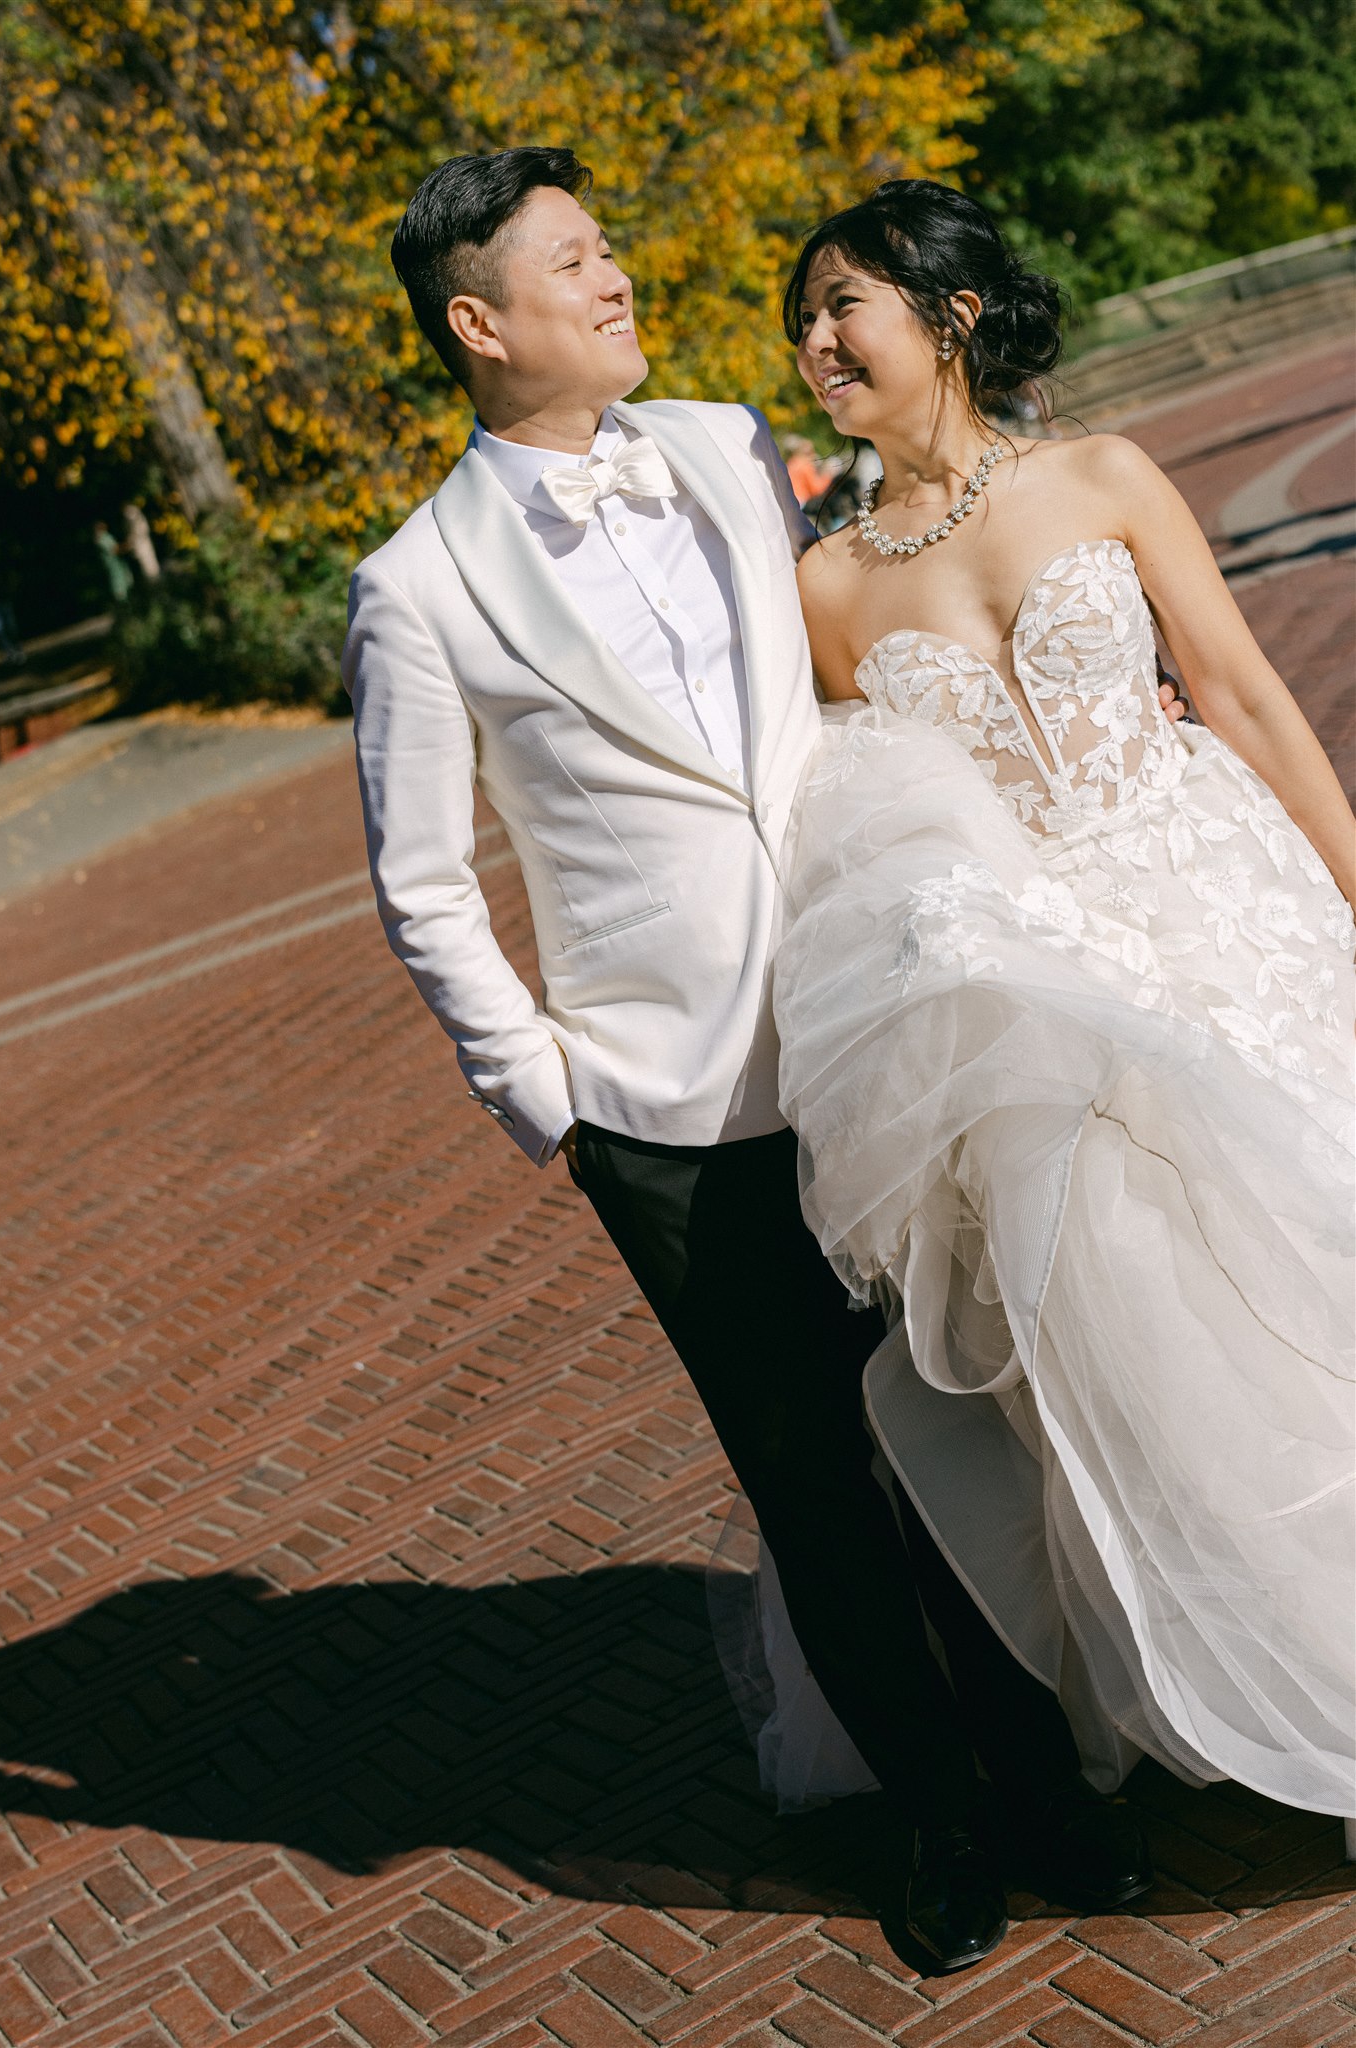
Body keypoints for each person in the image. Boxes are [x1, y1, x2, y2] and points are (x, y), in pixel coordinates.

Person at [344, 147, 1188, 1973]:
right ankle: (944, 1823)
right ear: (480, 321)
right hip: (658, 1106)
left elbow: (901, 609)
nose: (618, 276)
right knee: (812, 1477)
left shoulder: (734, 447)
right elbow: (420, 881)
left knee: (957, 1430)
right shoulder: (414, 587)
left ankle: (1051, 1784)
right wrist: (550, 1096)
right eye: (576, 262)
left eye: (609, 244)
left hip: (868, 1023)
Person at [773, 180, 1355, 1831]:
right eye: (802, 322)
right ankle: (1251, 1675)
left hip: (1219, 913)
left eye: (842, 305)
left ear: (944, 315)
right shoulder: (821, 590)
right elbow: (870, 825)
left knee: (1322, 1256)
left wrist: (1353, 893)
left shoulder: (1101, 475)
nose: (816, 343)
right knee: (1148, 1332)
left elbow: (1237, 690)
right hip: (1044, 993)